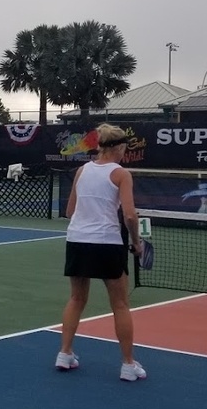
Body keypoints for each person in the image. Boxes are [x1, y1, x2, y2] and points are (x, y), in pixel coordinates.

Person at [56, 123, 146, 382]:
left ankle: (65, 353)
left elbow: (70, 211)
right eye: (123, 148)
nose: (123, 153)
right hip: (107, 242)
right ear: (117, 147)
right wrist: (137, 242)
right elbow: (130, 215)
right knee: (120, 304)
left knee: (76, 299)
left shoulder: (82, 170)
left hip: (77, 240)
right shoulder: (121, 174)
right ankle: (128, 364)